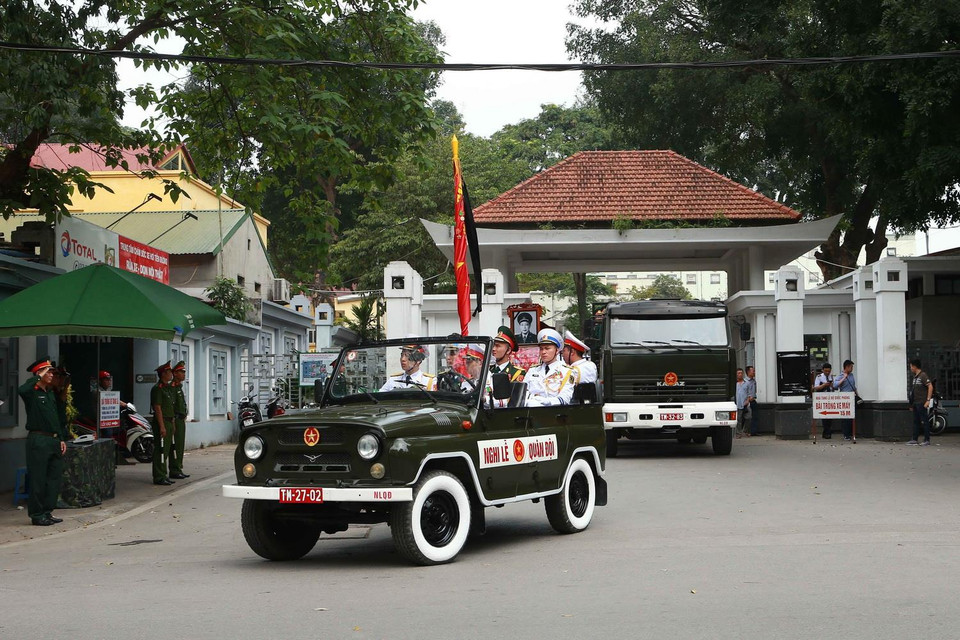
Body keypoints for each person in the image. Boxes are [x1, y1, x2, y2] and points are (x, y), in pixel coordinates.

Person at [18, 358, 67, 526]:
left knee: (53, 479)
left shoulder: (50, 393)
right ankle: (37, 514)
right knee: (38, 479)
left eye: (52, 371)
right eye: (49, 371)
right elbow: (21, 389)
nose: (52, 374)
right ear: (40, 374)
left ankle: (47, 511)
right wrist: (37, 377)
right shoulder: (32, 392)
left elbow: (55, 419)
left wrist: (61, 438)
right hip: (38, 439)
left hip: (53, 439)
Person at [525, 328, 576, 406]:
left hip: (554, 412)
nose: (543, 352)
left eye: (547, 348)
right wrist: (531, 399)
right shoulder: (533, 370)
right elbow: (523, 391)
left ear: (557, 350)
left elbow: (565, 397)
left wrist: (548, 401)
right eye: (541, 349)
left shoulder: (567, 371)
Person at [151, 361, 176, 486]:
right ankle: (158, 476)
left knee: (166, 450)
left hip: (169, 421)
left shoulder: (167, 388)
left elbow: (170, 408)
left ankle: (163, 474)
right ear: (164, 374)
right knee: (160, 450)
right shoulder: (158, 388)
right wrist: (161, 426)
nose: (171, 374)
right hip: (162, 422)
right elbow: (158, 408)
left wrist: (173, 424)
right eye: (169, 372)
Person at [169, 361, 190, 479]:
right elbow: (171, 406)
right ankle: (175, 469)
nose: (183, 374)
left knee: (180, 445)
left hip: (181, 420)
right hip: (175, 420)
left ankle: (178, 467)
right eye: (181, 372)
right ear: (175, 373)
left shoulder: (178, 387)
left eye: (184, 372)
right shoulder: (172, 387)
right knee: (176, 446)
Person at [907, 358, 934, 446]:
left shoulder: (923, 375)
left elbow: (930, 387)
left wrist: (928, 400)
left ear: (914, 366)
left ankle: (927, 440)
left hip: (922, 402)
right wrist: (911, 404)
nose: (910, 368)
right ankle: (914, 439)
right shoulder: (915, 377)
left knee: (924, 421)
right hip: (915, 403)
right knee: (916, 421)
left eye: (911, 366)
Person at [832, 360, 857, 441]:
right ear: (846, 367)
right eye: (851, 367)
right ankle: (846, 434)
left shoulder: (852, 375)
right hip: (844, 398)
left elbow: (853, 386)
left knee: (852, 416)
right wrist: (844, 378)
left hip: (852, 397)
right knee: (846, 417)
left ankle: (851, 433)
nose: (852, 368)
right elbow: (835, 386)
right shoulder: (840, 376)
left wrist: (857, 395)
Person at [813, 363, 835, 439]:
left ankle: (828, 431)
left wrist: (832, 386)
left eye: (828, 371)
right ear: (823, 370)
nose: (827, 373)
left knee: (830, 416)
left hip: (830, 398)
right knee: (825, 416)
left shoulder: (831, 377)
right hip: (823, 398)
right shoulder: (819, 377)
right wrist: (824, 385)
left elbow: (834, 387)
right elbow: (816, 388)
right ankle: (826, 432)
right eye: (825, 371)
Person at [744, 365, 759, 436]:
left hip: (753, 400)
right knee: (748, 417)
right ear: (748, 372)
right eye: (753, 371)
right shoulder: (745, 381)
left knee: (755, 416)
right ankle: (745, 431)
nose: (754, 372)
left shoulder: (754, 381)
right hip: (747, 401)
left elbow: (754, 390)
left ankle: (753, 432)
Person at [734, 367, 749, 437]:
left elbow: (750, 393)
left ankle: (745, 430)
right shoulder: (735, 384)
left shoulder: (746, 383)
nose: (740, 375)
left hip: (745, 403)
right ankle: (738, 433)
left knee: (748, 417)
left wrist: (748, 400)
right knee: (738, 419)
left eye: (741, 373)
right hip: (737, 403)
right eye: (738, 373)